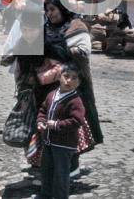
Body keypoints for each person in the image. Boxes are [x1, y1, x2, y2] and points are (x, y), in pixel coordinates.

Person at [44, 0, 103, 177]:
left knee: (72, 124)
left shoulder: (77, 26)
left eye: (52, 9)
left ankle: (72, 166)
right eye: (47, 11)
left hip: (75, 84)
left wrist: (59, 48)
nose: (49, 14)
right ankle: (55, 164)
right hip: (51, 84)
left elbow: (84, 52)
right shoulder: (47, 28)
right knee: (53, 123)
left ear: (62, 8)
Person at [35, 62, 86, 199]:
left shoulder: (75, 101)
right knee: (46, 170)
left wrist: (57, 125)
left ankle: (60, 196)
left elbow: (77, 121)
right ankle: (46, 194)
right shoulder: (52, 95)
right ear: (59, 77)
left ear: (79, 82)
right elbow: (43, 111)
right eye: (66, 76)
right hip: (49, 142)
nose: (69, 80)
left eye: (74, 78)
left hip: (65, 144)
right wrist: (40, 122)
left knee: (61, 174)